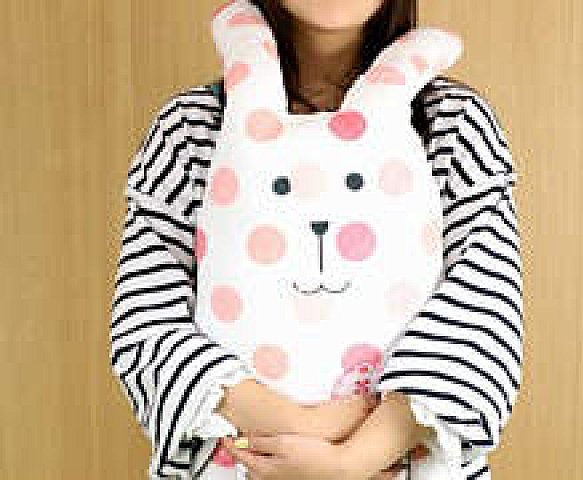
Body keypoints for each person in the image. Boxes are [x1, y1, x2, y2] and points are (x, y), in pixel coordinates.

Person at [109, 1, 523, 479]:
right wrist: (295, 424)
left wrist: (356, 459)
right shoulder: (191, 129)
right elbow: (147, 322)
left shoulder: (454, 125)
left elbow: (482, 309)